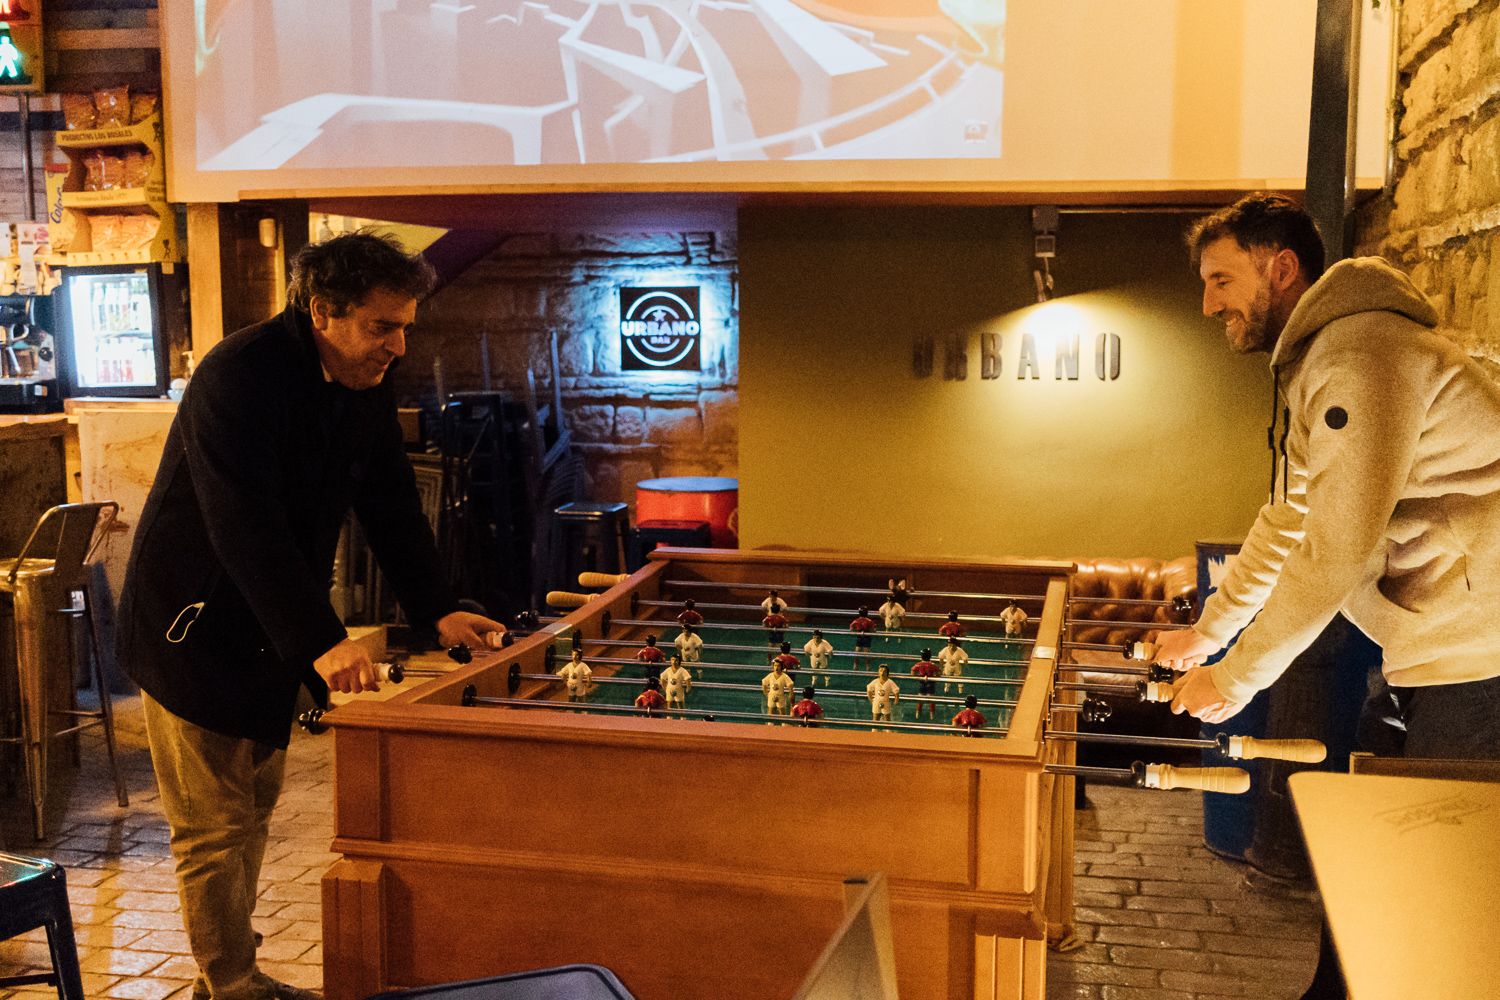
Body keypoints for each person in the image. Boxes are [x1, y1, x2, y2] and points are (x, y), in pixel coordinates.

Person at [118, 232, 506, 1000]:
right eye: (381, 326)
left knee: (251, 814)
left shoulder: (362, 378)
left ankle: (228, 981)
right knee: (212, 828)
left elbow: (390, 501)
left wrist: (438, 609)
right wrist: (322, 641)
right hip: (189, 627)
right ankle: (232, 986)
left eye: (404, 327)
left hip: (270, 628)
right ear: (323, 311)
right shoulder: (238, 375)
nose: (398, 346)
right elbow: (244, 524)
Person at [1153, 193, 1500, 761]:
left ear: (1282, 268)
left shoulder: (1357, 359)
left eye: (1221, 280)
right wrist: (1210, 632)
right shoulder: (1327, 358)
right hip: (1436, 650)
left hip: (1479, 659)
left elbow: (1334, 550)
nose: (1209, 305)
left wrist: (1233, 679)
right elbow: (1288, 518)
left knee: (1440, 819)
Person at [911, 648, 940, 719]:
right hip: (931, 683)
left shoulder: (919, 664)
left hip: (922, 683)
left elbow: (912, 672)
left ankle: (917, 714)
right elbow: (939, 672)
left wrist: (918, 676)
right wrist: (935, 676)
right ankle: (932, 715)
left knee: (920, 699)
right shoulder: (932, 665)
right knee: (931, 700)